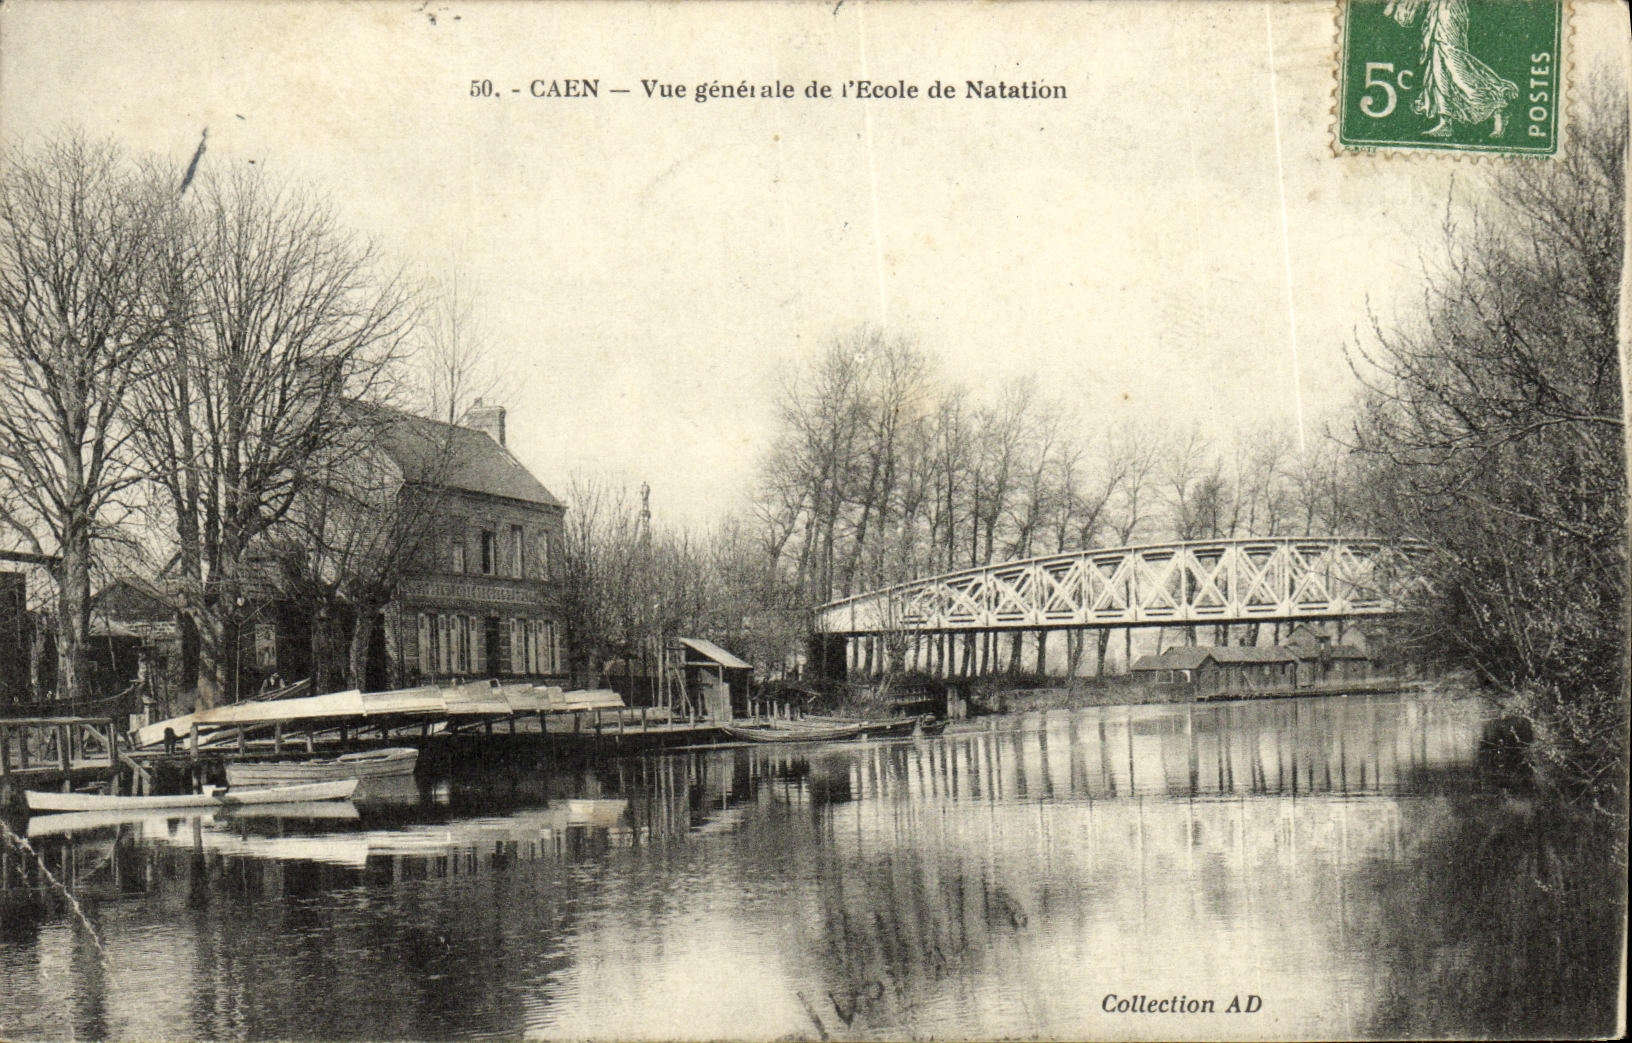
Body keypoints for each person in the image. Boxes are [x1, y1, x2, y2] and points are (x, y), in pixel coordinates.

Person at [1387, 0, 1519, 138]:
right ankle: (1445, 121)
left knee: (1453, 60)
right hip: (1436, 7)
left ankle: (1498, 103)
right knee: (1437, 60)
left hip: (1451, 7)